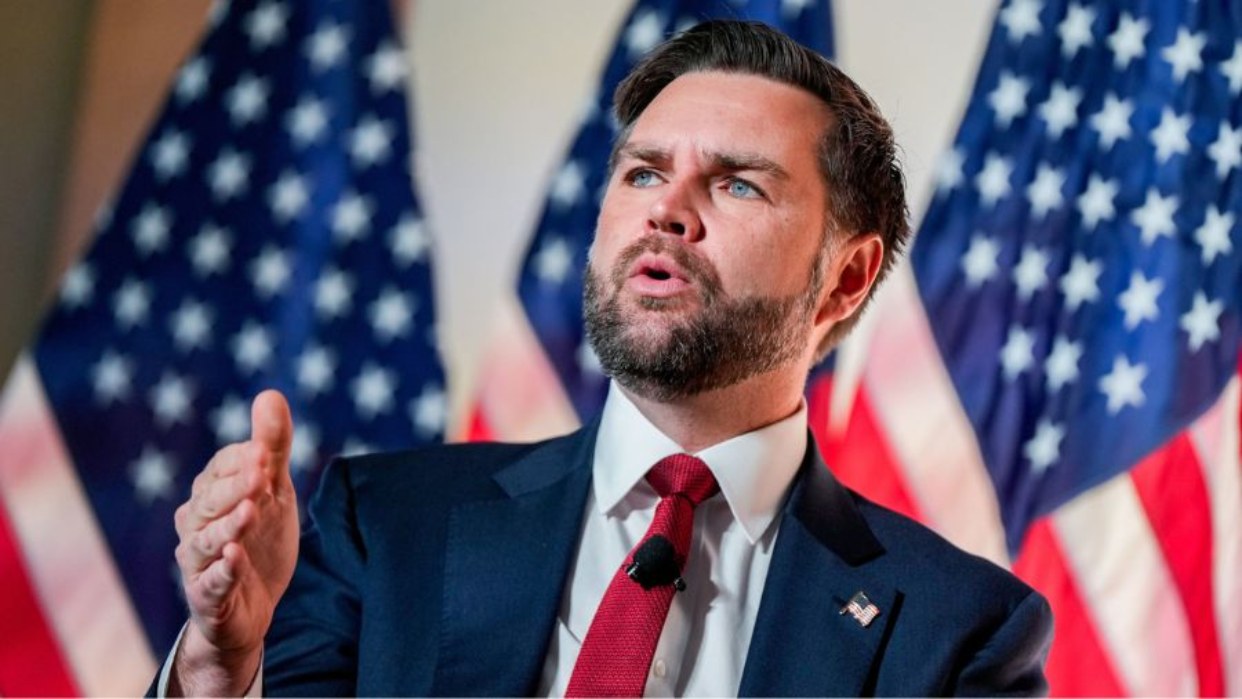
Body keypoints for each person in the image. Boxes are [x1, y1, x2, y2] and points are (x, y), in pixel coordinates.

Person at [162, 20, 1052, 697]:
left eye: (737, 184)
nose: (667, 209)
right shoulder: (389, 526)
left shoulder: (959, 631)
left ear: (846, 279)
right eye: (643, 172)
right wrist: (218, 666)